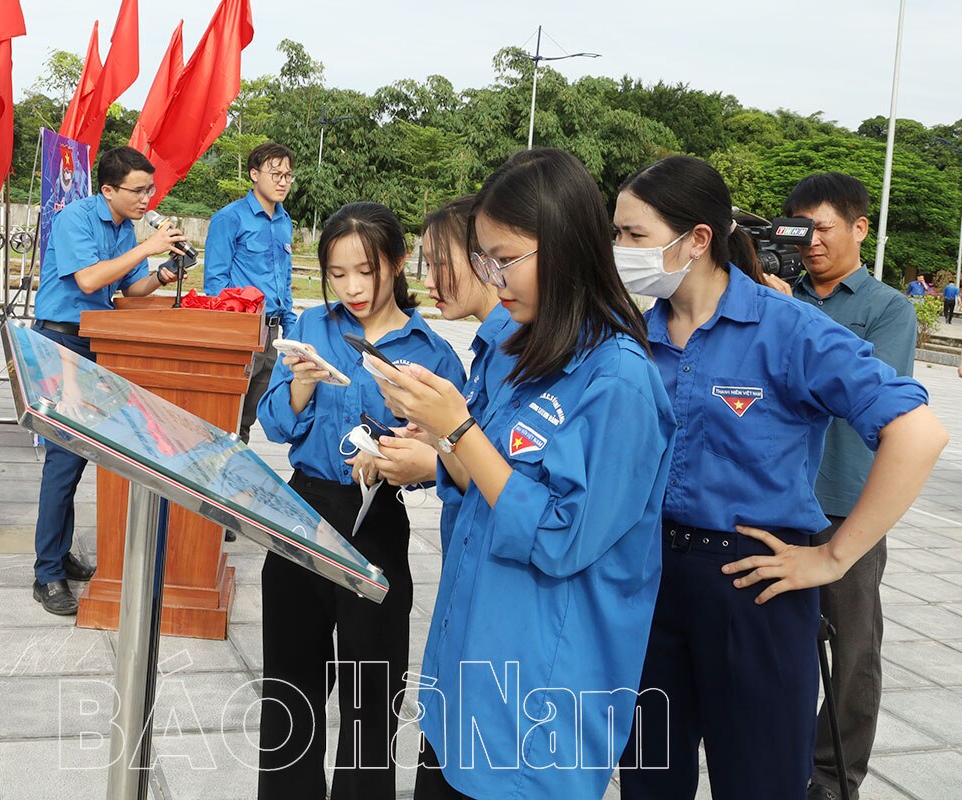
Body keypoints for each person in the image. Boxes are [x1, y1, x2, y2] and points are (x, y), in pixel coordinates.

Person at [612, 155, 947, 800]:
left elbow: (919, 431)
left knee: (760, 779)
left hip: (755, 582)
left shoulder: (786, 328)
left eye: (634, 236)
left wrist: (833, 558)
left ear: (697, 239)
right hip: (651, 580)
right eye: (617, 234)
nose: (619, 250)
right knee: (651, 778)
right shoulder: (637, 333)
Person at [367, 148, 676, 800]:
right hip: (467, 680)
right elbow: (483, 480)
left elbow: (562, 536)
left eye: (503, 259)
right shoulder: (521, 351)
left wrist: (459, 432)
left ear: (564, 248)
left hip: (539, 707)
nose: (492, 277)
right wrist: (441, 437)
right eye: (483, 259)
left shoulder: (619, 381)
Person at [254, 202, 466, 800]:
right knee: (290, 688)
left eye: (365, 272)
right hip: (302, 513)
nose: (351, 287)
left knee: (372, 693)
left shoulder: (431, 351)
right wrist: (299, 382)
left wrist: (407, 456)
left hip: (376, 521)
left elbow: (449, 461)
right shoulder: (311, 328)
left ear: (397, 264)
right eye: (337, 273)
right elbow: (275, 425)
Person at [783, 173, 917, 800]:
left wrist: (787, 314)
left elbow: (866, 391)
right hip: (776, 498)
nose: (810, 243)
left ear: (860, 228)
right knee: (774, 643)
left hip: (845, 506)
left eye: (823, 228)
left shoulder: (888, 309)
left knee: (854, 651)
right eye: (798, 230)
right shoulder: (772, 296)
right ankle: (773, 757)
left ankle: (835, 779)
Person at [31, 146, 188, 615]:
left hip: (100, 342)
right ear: (108, 190)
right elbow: (88, 281)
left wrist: (163, 271)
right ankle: (47, 574)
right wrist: (147, 247)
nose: (146, 199)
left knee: (82, 456)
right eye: (138, 191)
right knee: (62, 459)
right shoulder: (75, 218)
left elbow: (129, 287)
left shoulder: (127, 230)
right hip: (62, 342)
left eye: (150, 190)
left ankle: (58, 554)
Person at [351, 196, 517, 546]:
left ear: (484, 258)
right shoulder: (491, 344)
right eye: (426, 265)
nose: (429, 282)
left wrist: (433, 460)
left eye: (440, 264)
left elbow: (509, 479)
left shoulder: (513, 347)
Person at [204, 141, 297, 445]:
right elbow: (215, 283)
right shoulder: (230, 218)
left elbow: (284, 277)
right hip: (241, 332)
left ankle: (230, 483)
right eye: (275, 174)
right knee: (224, 416)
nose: (282, 181)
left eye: (287, 175)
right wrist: (230, 332)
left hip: (273, 333)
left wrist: (292, 328)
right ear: (254, 174)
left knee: (246, 420)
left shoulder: (285, 221)